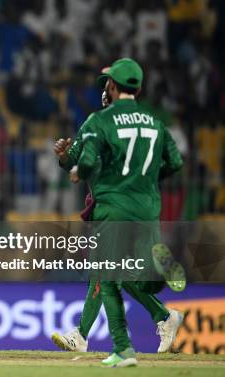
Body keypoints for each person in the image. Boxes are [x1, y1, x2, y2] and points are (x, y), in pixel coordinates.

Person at [52, 58, 183, 367]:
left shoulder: (99, 121)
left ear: (113, 87)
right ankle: (164, 315)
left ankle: (83, 335)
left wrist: (65, 158)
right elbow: (175, 163)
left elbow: (78, 161)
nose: (104, 91)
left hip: (114, 208)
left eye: (106, 85)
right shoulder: (154, 122)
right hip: (146, 208)